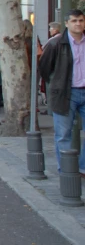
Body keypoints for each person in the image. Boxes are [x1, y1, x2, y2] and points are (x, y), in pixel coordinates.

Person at [39, 10, 85, 174]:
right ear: (67, 23)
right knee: (63, 135)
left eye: (80, 20)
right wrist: (57, 84)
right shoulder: (56, 44)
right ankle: (66, 171)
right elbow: (44, 68)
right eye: (74, 21)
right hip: (65, 94)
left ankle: (83, 167)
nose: (78, 24)